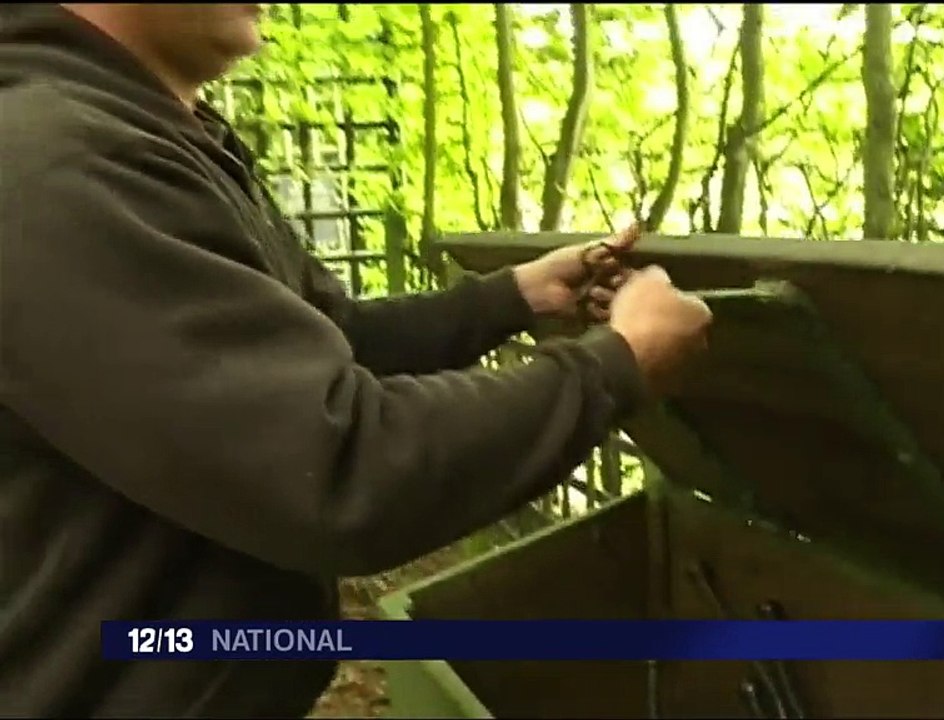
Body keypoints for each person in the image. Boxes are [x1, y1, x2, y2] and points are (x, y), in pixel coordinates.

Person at [0, 3, 712, 717]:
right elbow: (338, 464)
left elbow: (323, 342)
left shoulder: (148, 135)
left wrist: (512, 299)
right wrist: (619, 365)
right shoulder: (58, 161)